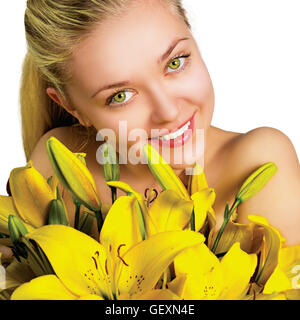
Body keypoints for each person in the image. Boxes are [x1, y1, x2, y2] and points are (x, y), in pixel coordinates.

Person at [20, 0, 300, 245]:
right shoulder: (56, 161)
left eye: (176, 63)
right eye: (120, 96)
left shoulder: (259, 163)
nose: (167, 111)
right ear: (70, 107)